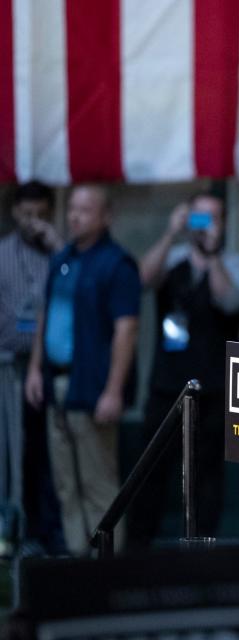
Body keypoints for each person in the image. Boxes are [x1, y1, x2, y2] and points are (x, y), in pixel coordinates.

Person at [130, 190, 239, 547]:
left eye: (211, 218)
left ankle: (202, 553)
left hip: (214, 388)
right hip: (167, 385)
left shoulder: (237, 264)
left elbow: (228, 301)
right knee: (150, 472)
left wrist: (213, 253)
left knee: (206, 477)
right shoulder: (172, 259)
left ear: (225, 223)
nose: (204, 226)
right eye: (197, 218)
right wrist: (171, 233)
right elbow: (141, 281)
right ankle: (136, 552)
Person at [25, 184, 140, 555]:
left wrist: (113, 391)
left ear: (106, 216)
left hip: (91, 387)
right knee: (65, 485)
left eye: (85, 210)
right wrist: (33, 369)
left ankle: (105, 571)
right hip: (55, 381)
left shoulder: (117, 264)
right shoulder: (63, 259)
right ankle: (78, 563)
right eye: (72, 209)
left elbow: (127, 331)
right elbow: (46, 314)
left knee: (98, 484)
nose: (75, 216)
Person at [0, 181, 65, 555]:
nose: (33, 222)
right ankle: (13, 531)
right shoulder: (3, 253)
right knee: (13, 453)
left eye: (41, 215)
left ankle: (49, 533)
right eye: (27, 215)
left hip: (51, 369)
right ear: (14, 213)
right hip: (10, 369)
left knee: (48, 455)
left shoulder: (61, 254)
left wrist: (57, 246)